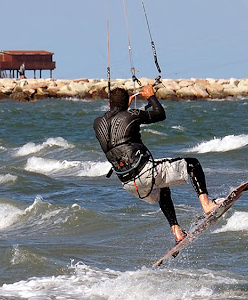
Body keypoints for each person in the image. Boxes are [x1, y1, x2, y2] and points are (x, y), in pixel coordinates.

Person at [93, 83, 219, 243]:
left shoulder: (97, 123)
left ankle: (177, 232)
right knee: (192, 164)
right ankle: (207, 204)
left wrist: (127, 106)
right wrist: (150, 96)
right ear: (129, 102)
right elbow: (159, 114)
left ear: (109, 104)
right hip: (144, 173)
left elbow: (115, 120)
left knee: (163, 189)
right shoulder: (131, 114)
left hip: (128, 185)